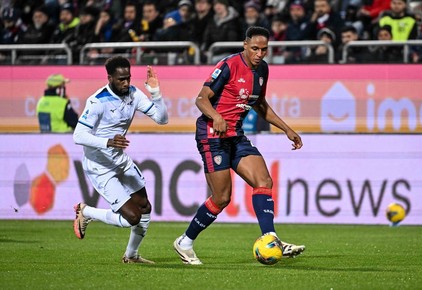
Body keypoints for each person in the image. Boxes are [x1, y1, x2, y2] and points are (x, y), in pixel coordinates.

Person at [173, 26, 305, 265]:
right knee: (222, 198)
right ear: (245, 45)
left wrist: (286, 128)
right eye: (255, 48)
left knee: (264, 181)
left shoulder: (263, 69)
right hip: (212, 135)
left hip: (235, 136)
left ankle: (271, 238)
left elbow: (260, 104)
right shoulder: (228, 65)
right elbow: (201, 99)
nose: (259, 53)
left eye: (264, 49)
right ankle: (185, 241)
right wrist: (216, 116)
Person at [72, 56, 168, 263]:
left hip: (120, 160)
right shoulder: (97, 101)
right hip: (100, 167)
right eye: (120, 79)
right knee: (131, 217)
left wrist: (155, 92)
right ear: (109, 78)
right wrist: (107, 142)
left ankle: (131, 255)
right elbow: (78, 136)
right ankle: (87, 212)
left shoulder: (133, 93)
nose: (125, 83)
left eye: (128, 78)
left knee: (144, 208)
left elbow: (162, 119)